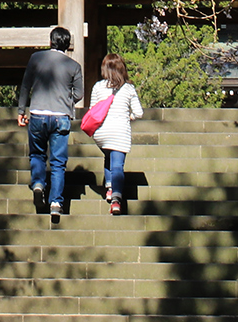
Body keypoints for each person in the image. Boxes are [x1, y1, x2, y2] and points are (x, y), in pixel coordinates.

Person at [16, 26, 81, 215]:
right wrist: (66, 100)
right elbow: (79, 93)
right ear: (67, 45)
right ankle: (56, 203)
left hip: (37, 112)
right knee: (58, 162)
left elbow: (25, 86)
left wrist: (21, 110)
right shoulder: (74, 66)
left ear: (50, 41)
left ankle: (37, 183)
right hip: (61, 116)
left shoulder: (36, 58)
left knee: (37, 154)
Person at [88, 53, 144, 214]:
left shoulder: (98, 87)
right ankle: (116, 200)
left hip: (102, 133)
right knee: (117, 165)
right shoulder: (128, 88)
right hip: (119, 131)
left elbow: (93, 110)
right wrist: (129, 116)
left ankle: (109, 188)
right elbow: (139, 113)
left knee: (108, 155)